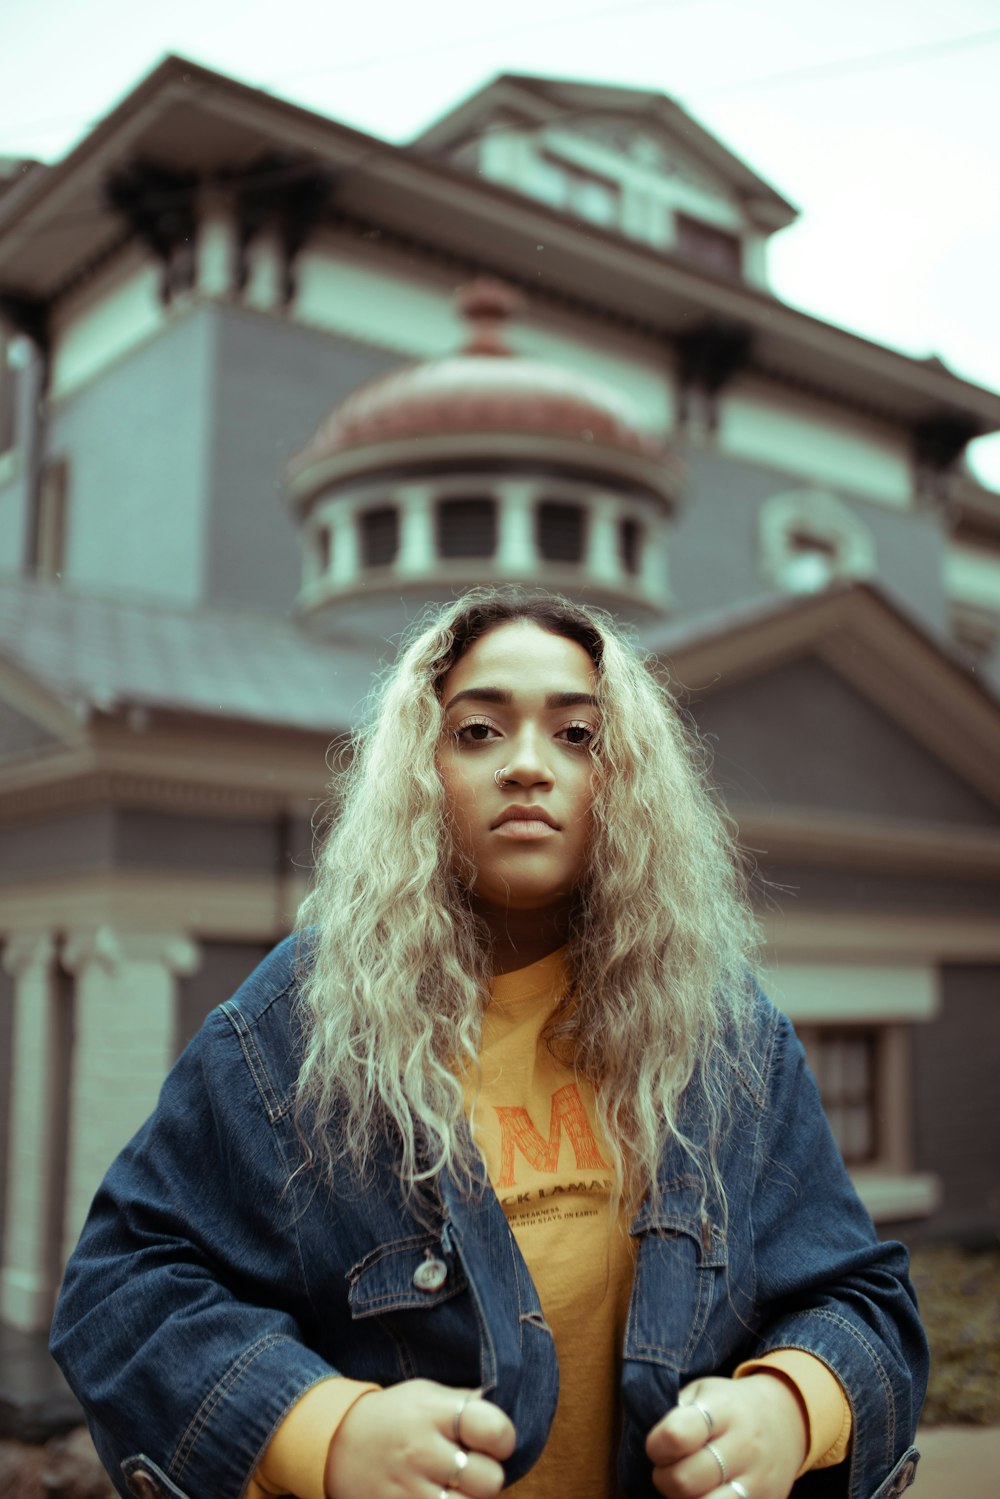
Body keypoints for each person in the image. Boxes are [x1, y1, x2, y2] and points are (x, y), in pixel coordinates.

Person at [51, 590, 928, 1499]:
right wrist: (323, 1429)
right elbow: (123, 1289)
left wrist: (790, 1407)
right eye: (477, 730)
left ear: (623, 775)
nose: (526, 766)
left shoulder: (724, 1033)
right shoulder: (298, 1026)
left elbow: (865, 1303)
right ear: (420, 769)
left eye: (576, 734)